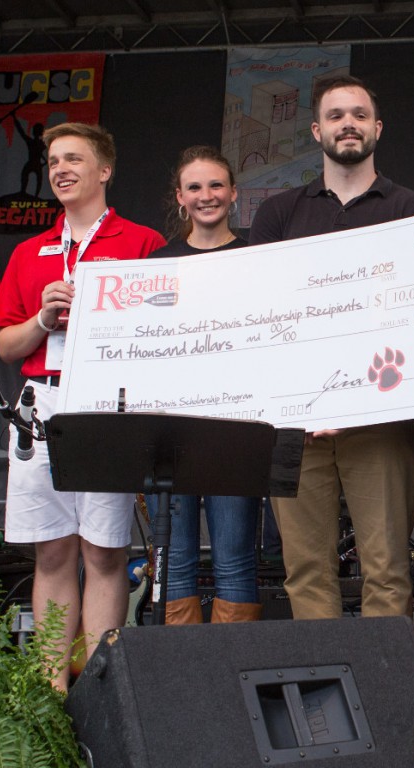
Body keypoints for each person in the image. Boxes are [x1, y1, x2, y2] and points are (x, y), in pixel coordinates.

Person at [248, 75, 414, 620]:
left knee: (387, 568)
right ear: (316, 130)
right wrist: (306, 401)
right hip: (294, 424)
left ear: (377, 127)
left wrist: (354, 399)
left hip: (382, 419)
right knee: (304, 571)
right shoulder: (278, 214)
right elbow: (261, 315)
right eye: (335, 115)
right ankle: (323, 698)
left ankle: (384, 697)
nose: (347, 124)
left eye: (359, 114)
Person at [0, 122, 164, 688]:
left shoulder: (142, 243)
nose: (60, 169)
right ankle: (50, 683)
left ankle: (97, 682)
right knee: (52, 553)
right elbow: (5, 347)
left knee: (105, 552)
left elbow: (165, 334)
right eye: (53, 160)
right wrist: (41, 319)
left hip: (108, 400)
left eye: (74, 159)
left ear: (105, 170)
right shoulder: (28, 251)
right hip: (42, 398)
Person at [146, 146, 262, 625]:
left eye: (216, 185)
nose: (206, 195)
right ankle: (183, 683)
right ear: (179, 197)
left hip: (233, 427)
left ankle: (232, 683)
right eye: (195, 187)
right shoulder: (157, 262)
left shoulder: (260, 255)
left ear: (234, 194)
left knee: (235, 559)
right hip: (166, 430)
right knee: (173, 562)